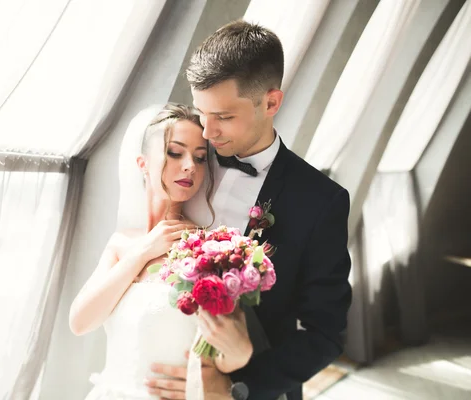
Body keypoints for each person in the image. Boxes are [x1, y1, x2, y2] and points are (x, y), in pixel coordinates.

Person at [150, 20, 353, 400]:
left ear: (271, 102)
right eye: (201, 112)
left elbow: (325, 333)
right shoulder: (180, 161)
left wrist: (236, 389)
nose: (208, 133)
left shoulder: (320, 201)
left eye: (224, 116)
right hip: (158, 374)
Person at [69, 103, 225, 399]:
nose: (190, 165)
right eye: (175, 152)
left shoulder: (206, 249)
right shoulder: (122, 244)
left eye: (200, 158)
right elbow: (80, 321)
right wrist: (142, 253)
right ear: (142, 163)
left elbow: (221, 344)